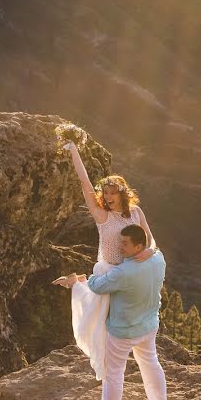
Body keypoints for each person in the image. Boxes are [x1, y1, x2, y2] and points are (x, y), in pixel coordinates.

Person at [53, 131, 157, 382]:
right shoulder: (102, 216)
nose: (108, 198)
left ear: (122, 193)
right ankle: (77, 282)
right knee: (99, 329)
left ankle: (78, 280)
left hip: (131, 273)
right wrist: (73, 150)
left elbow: (150, 239)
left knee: (132, 326)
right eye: (106, 194)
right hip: (109, 273)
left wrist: (149, 252)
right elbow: (85, 184)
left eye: (113, 193)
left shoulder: (135, 212)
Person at [54, 224, 172, 400]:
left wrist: (83, 278)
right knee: (150, 362)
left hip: (123, 331)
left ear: (138, 246)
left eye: (125, 244)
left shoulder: (123, 272)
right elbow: (155, 249)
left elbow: (97, 286)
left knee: (113, 374)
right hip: (149, 325)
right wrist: (150, 250)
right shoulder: (158, 260)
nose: (120, 247)